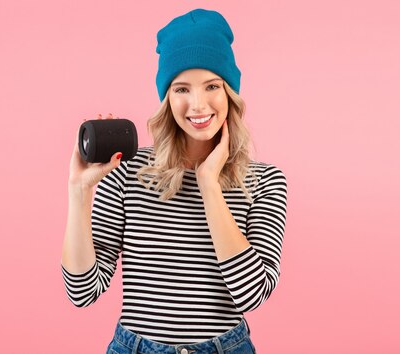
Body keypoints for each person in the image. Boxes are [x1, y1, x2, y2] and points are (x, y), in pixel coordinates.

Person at [61, 8, 287, 354]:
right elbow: (82, 291)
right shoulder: (127, 169)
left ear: (230, 92)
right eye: (182, 88)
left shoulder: (265, 181)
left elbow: (251, 293)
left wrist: (209, 184)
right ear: (167, 98)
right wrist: (79, 192)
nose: (197, 105)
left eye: (212, 85)